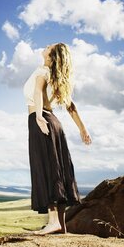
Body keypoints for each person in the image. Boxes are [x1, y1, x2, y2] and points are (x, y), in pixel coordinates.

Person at [23, 42, 91, 235]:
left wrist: (37, 117)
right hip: (55, 123)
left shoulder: (43, 73)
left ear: (51, 58)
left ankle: (53, 222)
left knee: (46, 168)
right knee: (58, 169)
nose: (44, 47)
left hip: (42, 120)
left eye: (49, 48)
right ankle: (61, 225)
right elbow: (71, 106)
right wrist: (82, 129)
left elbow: (37, 92)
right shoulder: (55, 77)